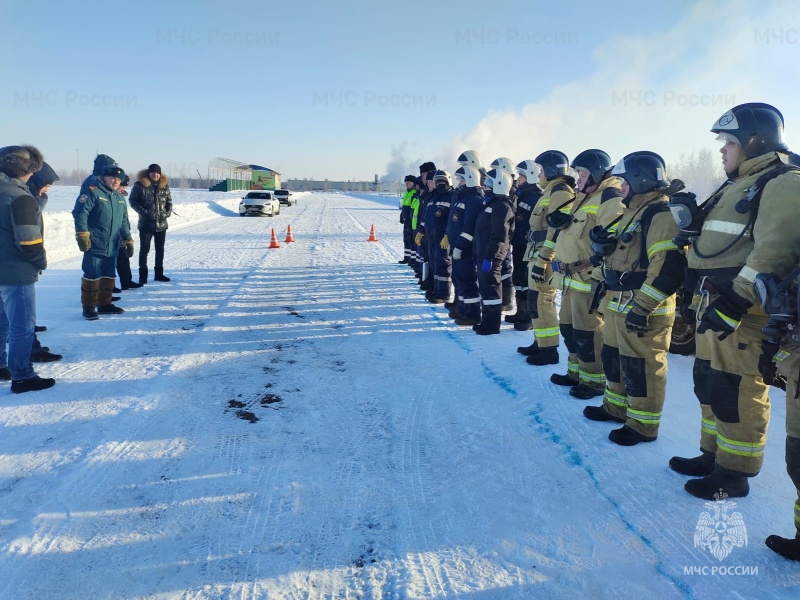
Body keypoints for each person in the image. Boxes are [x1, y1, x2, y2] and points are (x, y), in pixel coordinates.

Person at [670, 103, 800, 500]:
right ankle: (713, 455)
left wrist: (734, 302)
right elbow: (720, 246)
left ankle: (734, 472)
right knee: (708, 383)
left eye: (728, 142)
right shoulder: (737, 183)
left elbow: (773, 253)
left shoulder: (783, 181)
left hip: (744, 312)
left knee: (737, 389)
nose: (721, 150)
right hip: (716, 304)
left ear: (753, 140)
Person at [582, 151, 684, 446]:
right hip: (618, 302)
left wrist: (642, 308)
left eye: (624, 181)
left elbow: (665, 267)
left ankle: (642, 425)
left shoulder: (660, 215)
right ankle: (616, 408)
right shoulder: (632, 212)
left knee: (641, 366)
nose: (620, 186)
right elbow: (620, 256)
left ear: (640, 180)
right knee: (614, 358)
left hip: (643, 307)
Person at [548, 150, 623, 399]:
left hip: (587, 280)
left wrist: (598, 274)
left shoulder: (609, 198)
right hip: (570, 279)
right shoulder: (581, 197)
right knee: (568, 328)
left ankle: (593, 381)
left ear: (597, 173)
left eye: (582, 173)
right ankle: (575, 372)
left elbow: (613, 243)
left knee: (588, 333)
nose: (577, 179)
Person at [0, 145, 55, 393]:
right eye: (31, 170)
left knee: (2, 321)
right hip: (15, 272)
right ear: (25, 170)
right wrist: (40, 260)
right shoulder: (19, 196)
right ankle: (22, 375)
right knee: (22, 326)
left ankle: (2, 365)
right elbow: (29, 241)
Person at [524, 151, 576, 365]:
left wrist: (544, 260)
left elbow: (556, 230)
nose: (539, 175)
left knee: (542, 301)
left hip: (544, 257)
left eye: (542, 171)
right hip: (536, 253)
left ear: (553, 171)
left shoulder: (560, 193)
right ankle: (540, 341)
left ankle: (549, 349)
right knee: (534, 302)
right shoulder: (550, 192)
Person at [73, 165, 135, 320]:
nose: (115, 182)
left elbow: (123, 222)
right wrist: (82, 233)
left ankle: (105, 304)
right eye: (112, 178)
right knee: (92, 275)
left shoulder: (120, 198)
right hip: (95, 244)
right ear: (104, 178)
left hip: (113, 244)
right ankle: (88, 308)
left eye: (118, 180)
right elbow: (80, 213)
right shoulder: (93, 192)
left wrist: (128, 239)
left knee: (109, 275)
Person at [25, 162, 63, 363]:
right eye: (46, 184)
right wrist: (39, 259)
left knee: (12, 314)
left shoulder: (28, 197)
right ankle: (28, 354)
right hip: (17, 266)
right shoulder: (21, 199)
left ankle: (26, 346)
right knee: (21, 314)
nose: (48, 189)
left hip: (16, 264)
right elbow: (27, 233)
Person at [472, 168, 515, 335]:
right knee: (485, 288)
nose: (484, 187)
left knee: (491, 288)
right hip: (484, 253)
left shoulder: (502, 206)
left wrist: (490, 257)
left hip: (492, 255)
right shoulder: (492, 204)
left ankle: (492, 325)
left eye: (488, 184)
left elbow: (499, 235)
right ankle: (486, 321)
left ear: (499, 185)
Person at [504, 160, 541, 332]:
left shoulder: (536, 198)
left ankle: (529, 318)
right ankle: (520, 312)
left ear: (531, 177)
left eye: (521, 176)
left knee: (527, 281)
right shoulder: (520, 195)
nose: (518, 178)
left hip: (529, 246)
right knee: (518, 278)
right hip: (518, 244)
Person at [447, 164, 484, 326]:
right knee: (459, 279)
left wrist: (460, 246)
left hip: (466, 251)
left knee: (468, 281)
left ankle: (473, 314)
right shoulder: (463, 198)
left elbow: (468, 228)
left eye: (461, 179)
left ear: (469, 180)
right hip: (457, 248)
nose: (459, 182)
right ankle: (463, 309)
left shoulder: (474, 200)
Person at [129, 163, 173, 284]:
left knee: (160, 250)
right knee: (144, 250)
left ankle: (159, 274)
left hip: (161, 224)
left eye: (158, 172)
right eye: (153, 172)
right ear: (148, 173)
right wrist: (144, 212)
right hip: (146, 225)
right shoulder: (140, 185)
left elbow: (169, 202)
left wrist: (167, 213)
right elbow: (133, 201)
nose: (156, 174)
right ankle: (143, 277)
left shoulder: (164, 186)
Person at [489, 157, 518, 312]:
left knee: (505, 267)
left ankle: (507, 300)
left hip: (507, 234)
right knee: (502, 267)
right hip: (507, 232)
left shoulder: (511, 189)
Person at [423, 170, 454, 304]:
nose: (440, 184)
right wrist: (421, 230)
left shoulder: (452, 197)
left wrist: (448, 235)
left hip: (443, 239)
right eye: (438, 181)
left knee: (443, 265)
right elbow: (426, 217)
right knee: (435, 264)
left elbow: (454, 219)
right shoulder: (433, 197)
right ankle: (436, 289)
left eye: (443, 181)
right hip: (431, 238)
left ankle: (444, 293)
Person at [115, 175, 142, 290]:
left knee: (123, 258)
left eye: (124, 186)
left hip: (121, 231)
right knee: (112, 260)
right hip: (112, 233)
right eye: (121, 186)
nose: (123, 188)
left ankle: (127, 281)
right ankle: (109, 286)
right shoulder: (110, 196)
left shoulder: (120, 197)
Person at [399, 175, 416, 264]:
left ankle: (413, 259)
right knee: (406, 239)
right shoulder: (407, 193)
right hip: (406, 220)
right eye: (406, 182)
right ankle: (407, 257)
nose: (407, 184)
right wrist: (402, 215)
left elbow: (413, 208)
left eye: (409, 182)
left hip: (411, 221)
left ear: (413, 183)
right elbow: (405, 206)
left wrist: (410, 218)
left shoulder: (414, 193)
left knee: (411, 240)